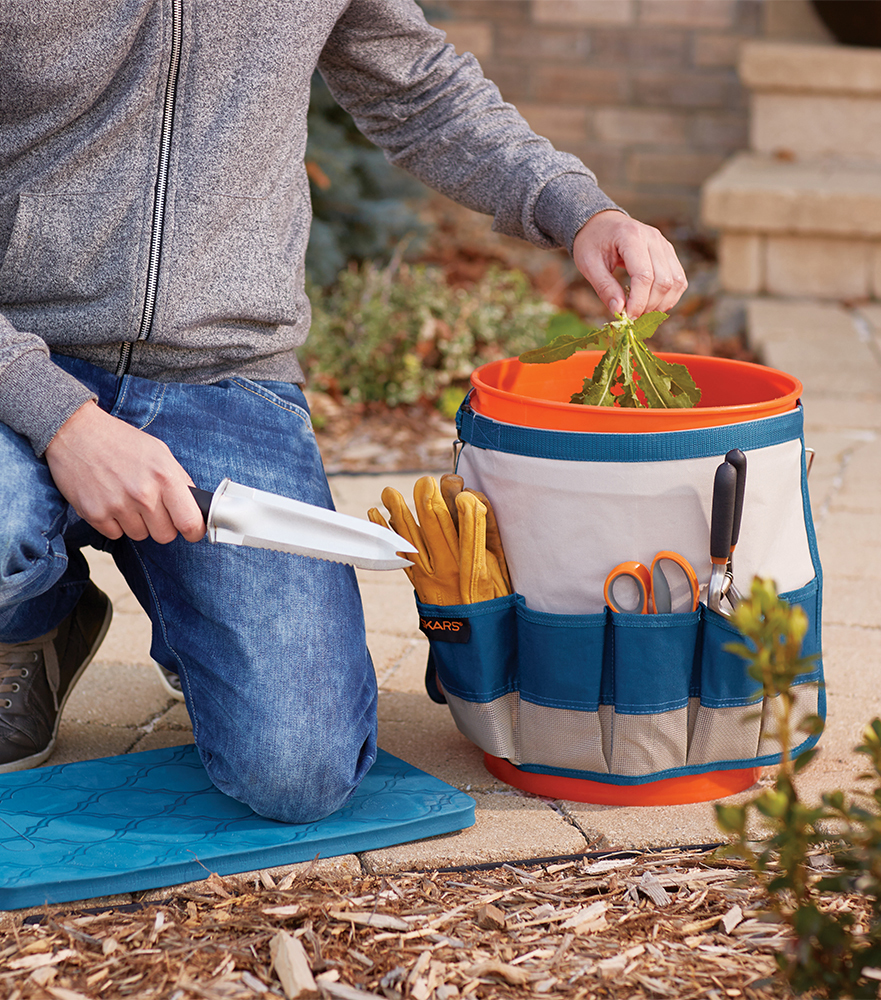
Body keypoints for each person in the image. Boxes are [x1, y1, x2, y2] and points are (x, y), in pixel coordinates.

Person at [0, 0, 688, 822]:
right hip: (16, 358)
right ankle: (32, 616)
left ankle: (188, 612)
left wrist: (582, 209)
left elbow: (421, 89)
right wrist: (60, 419)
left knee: (297, 770)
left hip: (221, 375)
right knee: (7, 517)